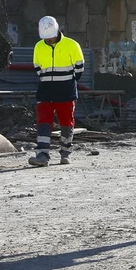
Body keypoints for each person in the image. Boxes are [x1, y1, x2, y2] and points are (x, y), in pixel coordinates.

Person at [30, 15, 85, 167]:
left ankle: (65, 153)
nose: (48, 40)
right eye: (46, 38)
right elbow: (38, 68)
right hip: (45, 92)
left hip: (65, 92)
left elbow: (79, 69)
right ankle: (42, 154)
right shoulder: (38, 46)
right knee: (43, 123)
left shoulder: (72, 45)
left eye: (50, 37)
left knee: (66, 123)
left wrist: (66, 82)